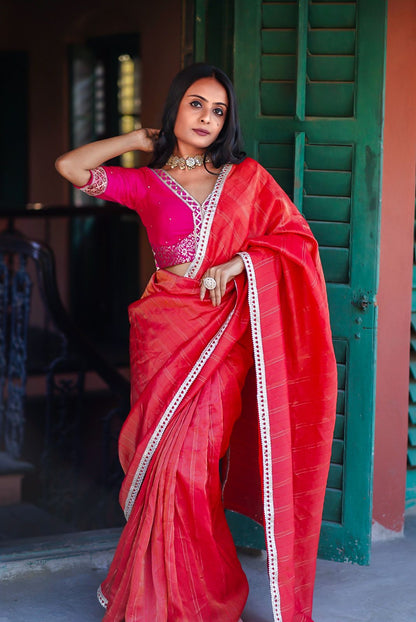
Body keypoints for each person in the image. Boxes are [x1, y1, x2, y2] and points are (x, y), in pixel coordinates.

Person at [55, 63, 337, 622]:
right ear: (175, 110)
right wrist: (136, 140)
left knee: (191, 467)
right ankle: (155, 599)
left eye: (218, 110)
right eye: (195, 104)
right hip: (165, 335)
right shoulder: (145, 182)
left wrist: (238, 263)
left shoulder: (248, 179)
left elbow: (296, 241)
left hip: (222, 340)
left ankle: (207, 597)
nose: (207, 117)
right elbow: (69, 166)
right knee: (164, 466)